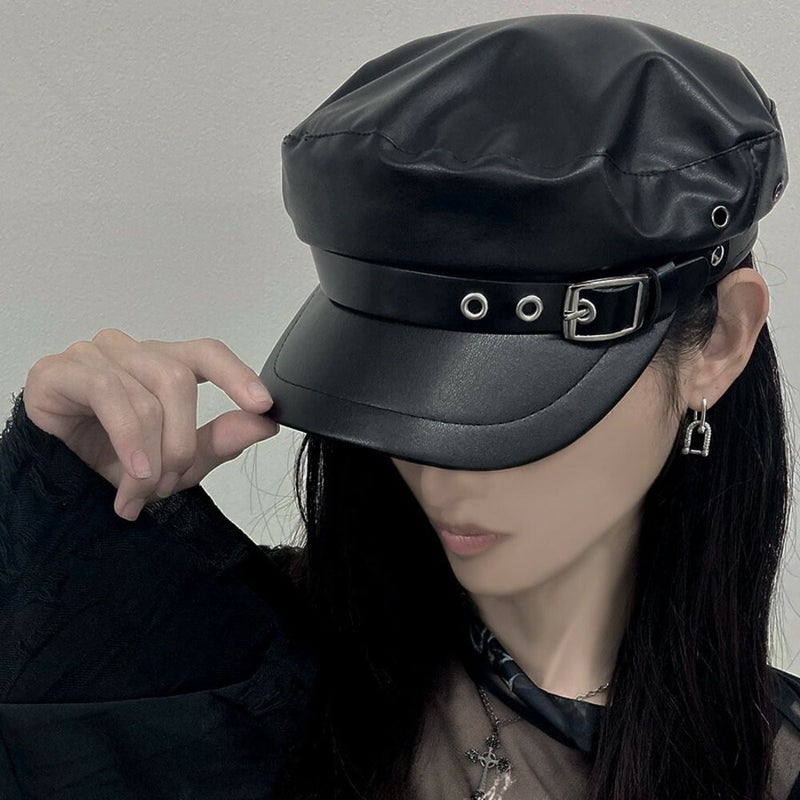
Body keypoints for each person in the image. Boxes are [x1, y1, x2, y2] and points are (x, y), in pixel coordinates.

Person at [2, 12, 799, 800]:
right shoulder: (246, 673)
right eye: (401, 394)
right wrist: (69, 525)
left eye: (510, 402)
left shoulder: (775, 767)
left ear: (720, 341)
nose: (435, 472)